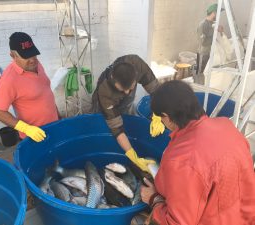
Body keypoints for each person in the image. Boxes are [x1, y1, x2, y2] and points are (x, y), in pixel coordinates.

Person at [141, 80, 255, 224]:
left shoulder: (182, 159)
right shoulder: (226, 126)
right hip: (246, 217)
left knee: (138, 220)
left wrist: (153, 199)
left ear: (167, 117)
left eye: (160, 118)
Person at [91, 54, 165, 173]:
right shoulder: (104, 91)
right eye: (122, 89)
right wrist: (133, 157)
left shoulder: (137, 65)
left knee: (127, 115)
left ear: (135, 77)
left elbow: (155, 90)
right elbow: (116, 129)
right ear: (114, 80)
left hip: (125, 103)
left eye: (130, 88)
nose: (126, 92)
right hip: (105, 104)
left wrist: (157, 113)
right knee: (103, 126)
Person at [0, 32, 59, 142]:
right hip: (35, 135)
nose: (32, 59)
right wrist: (26, 129)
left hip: (54, 125)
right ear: (13, 56)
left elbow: (45, 91)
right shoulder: (9, 79)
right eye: (26, 56)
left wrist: (57, 114)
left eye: (33, 53)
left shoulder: (36, 64)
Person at [196, 3, 224, 84]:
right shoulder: (203, 24)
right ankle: (199, 90)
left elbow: (218, 38)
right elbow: (202, 42)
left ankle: (206, 88)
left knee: (208, 73)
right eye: (218, 13)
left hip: (212, 53)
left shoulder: (214, 24)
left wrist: (220, 32)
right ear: (213, 13)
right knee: (201, 73)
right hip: (203, 53)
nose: (219, 15)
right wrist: (214, 31)